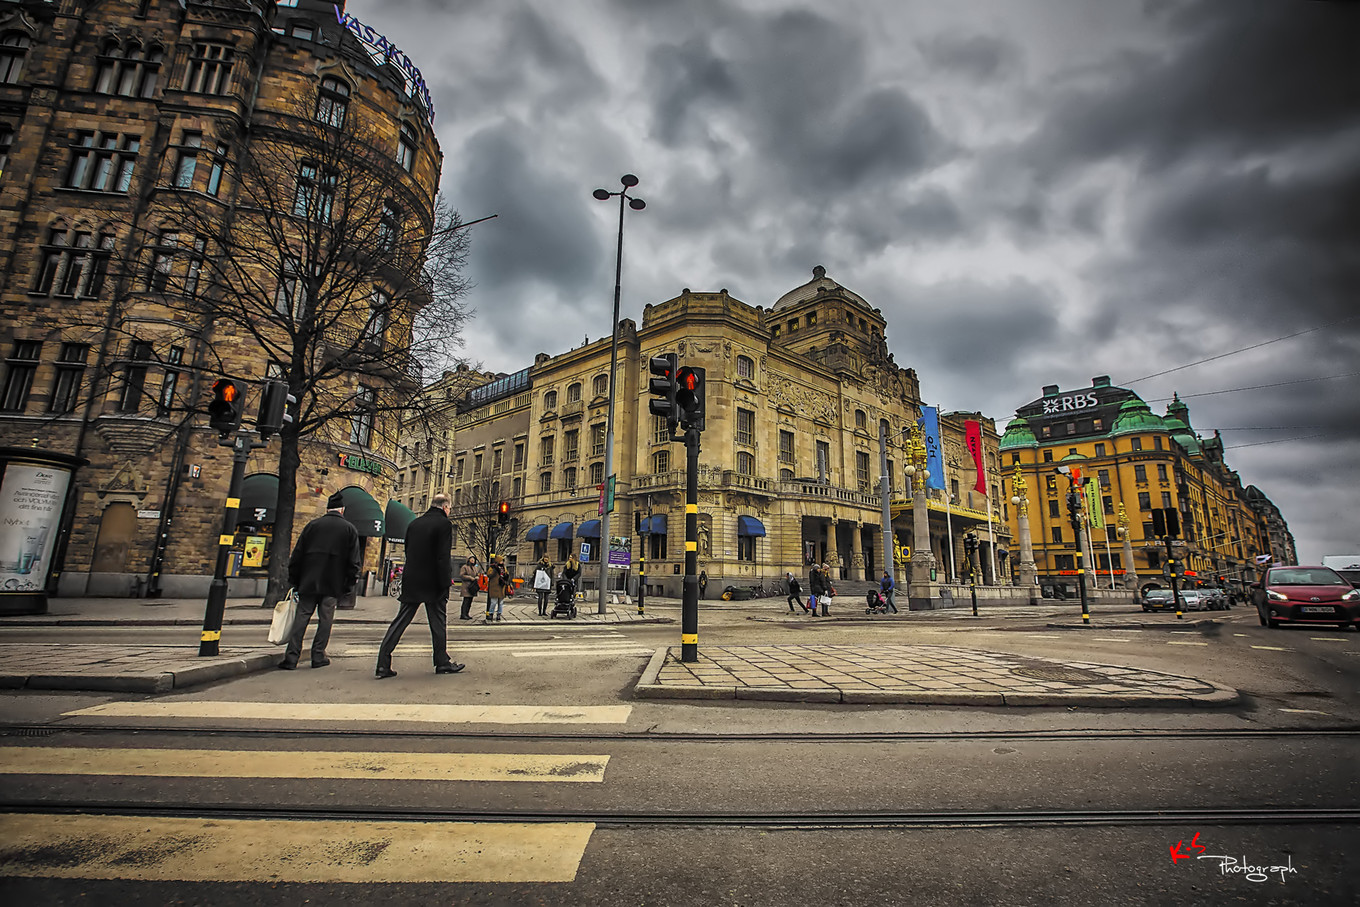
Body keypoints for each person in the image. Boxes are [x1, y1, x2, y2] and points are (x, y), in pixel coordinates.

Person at [376, 494, 464, 679]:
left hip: (413, 579)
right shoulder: (444, 524)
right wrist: (445, 582)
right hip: (433, 581)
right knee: (438, 623)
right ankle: (442, 661)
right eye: (449, 508)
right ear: (445, 507)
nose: (449, 511)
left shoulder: (414, 523)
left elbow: (408, 551)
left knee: (401, 620)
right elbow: (442, 556)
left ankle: (383, 662)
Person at [281, 492, 360, 670]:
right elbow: (354, 561)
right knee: (325, 619)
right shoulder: (349, 529)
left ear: (327, 509)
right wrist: (349, 584)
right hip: (333, 582)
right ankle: (318, 655)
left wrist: (294, 579)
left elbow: (297, 555)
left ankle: (291, 657)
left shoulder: (312, 526)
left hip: (308, 580)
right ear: (342, 510)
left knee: (302, 617)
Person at [485, 554, 512, 622]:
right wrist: (494, 571)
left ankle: (499, 614)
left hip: (501, 586)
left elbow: (506, 575)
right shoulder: (493, 567)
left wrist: (506, 576)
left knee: (500, 602)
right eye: (501, 560)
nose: (502, 562)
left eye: (502, 561)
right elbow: (489, 575)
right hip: (494, 587)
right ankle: (491, 613)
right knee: (493, 602)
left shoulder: (503, 568)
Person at [458, 555, 479, 620]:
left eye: (473, 560)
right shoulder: (465, 567)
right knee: (466, 600)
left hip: (472, 586)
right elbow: (462, 575)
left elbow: (477, 574)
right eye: (471, 559)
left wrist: (477, 577)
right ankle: (463, 614)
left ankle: (467, 613)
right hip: (466, 586)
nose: (472, 560)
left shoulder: (475, 567)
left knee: (470, 601)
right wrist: (470, 578)